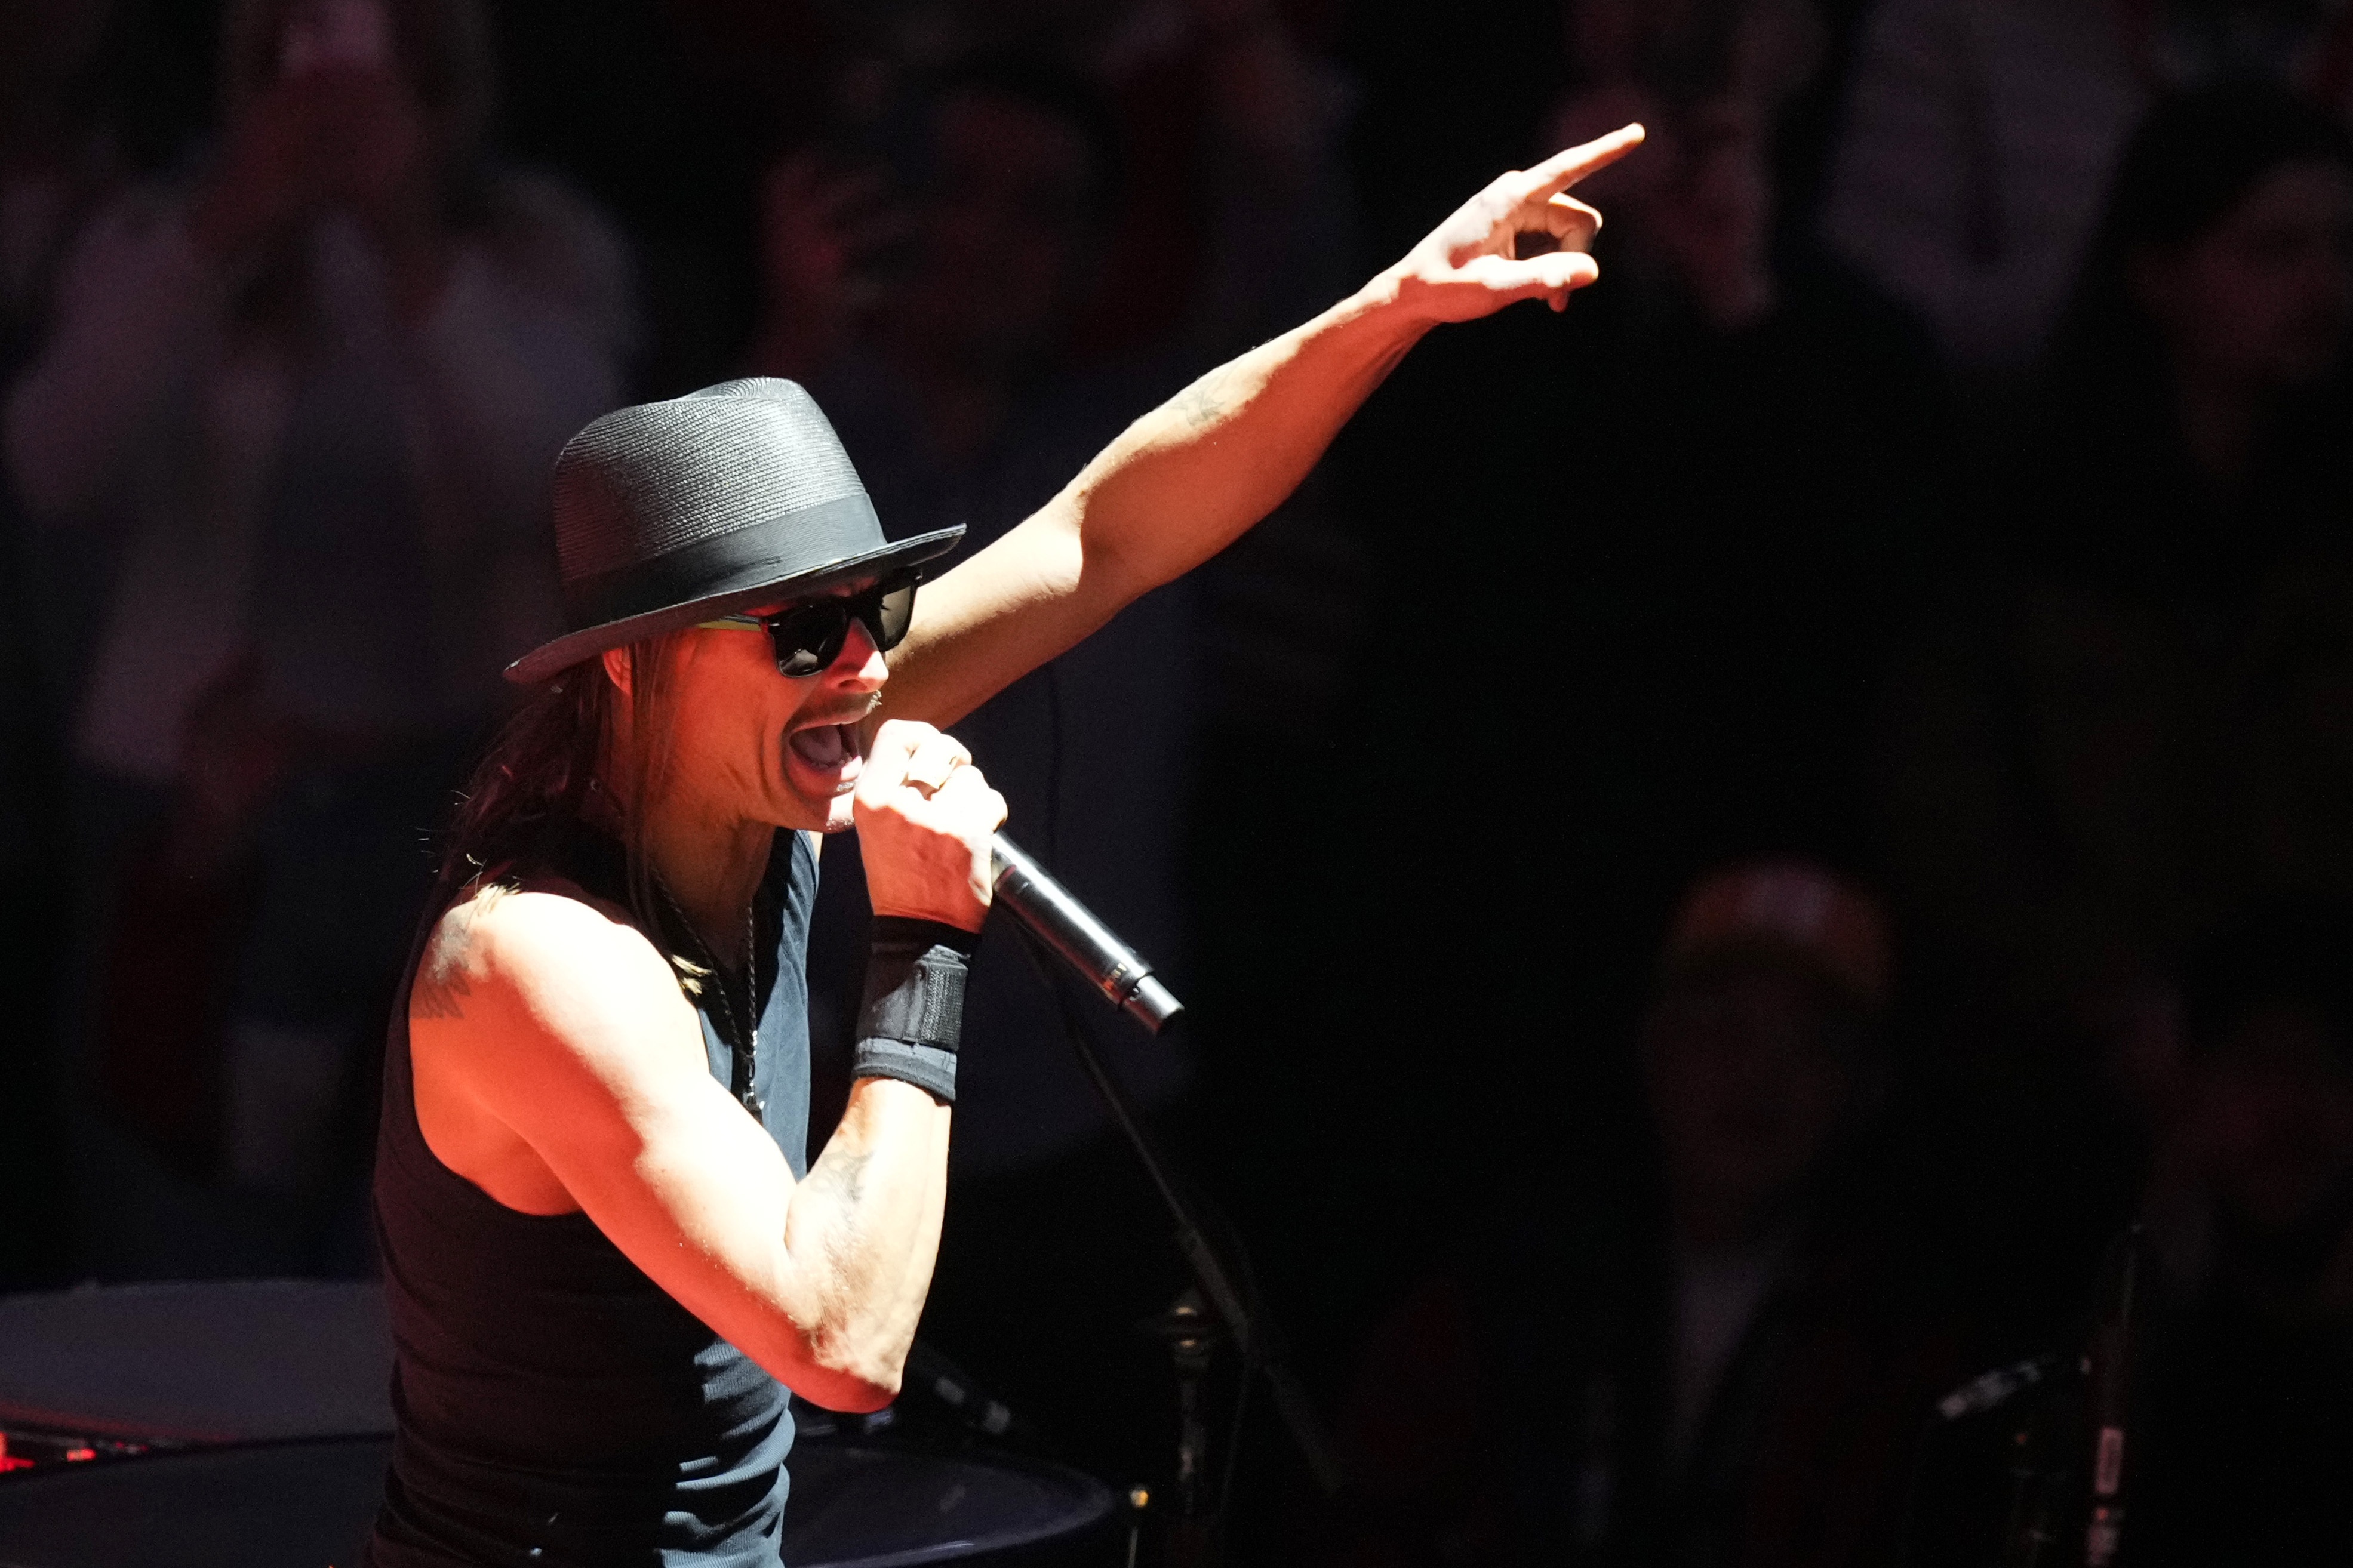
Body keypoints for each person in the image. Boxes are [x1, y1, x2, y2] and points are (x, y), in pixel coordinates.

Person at [362, 124, 1647, 1566]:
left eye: (880, 611)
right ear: (634, 668)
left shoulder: (760, 763)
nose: (858, 669)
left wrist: (1392, 306)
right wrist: (920, 945)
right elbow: (838, 1341)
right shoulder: (538, 960)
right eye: (802, 630)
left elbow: (1112, 531)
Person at [2, 0, 633, 1274]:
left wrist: (408, 243)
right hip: (193, 814)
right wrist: (231, 215)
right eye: (302, 42)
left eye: (376, 43)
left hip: (461, 819)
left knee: (432, 1253)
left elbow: (568, 487)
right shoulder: (156, 231)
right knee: (180, 1246)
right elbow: (49, 466)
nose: (337, 79)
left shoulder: (540, 249)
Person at [1324, 861, 1958, 1568]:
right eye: (1721, 1028)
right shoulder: (1500, 1289)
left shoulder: (1913, 1343)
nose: (1757, 1076)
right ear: (1652, 1043)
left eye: (1812, 1042)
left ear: (1869, 1089)